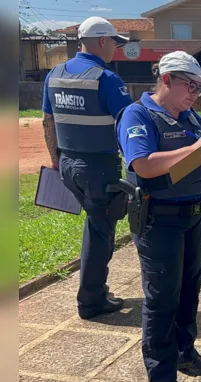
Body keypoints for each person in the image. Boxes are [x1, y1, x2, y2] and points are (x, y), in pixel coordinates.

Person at [115, 51, 201, 382]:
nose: (195, 93)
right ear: (165, 79)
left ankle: (184, 353)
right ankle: (160, 375)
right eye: (190, 85)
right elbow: (144, 164)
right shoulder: (138, 114)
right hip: (158, 221)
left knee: (189, 291)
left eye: (200, 88)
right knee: (162, 299)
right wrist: (196, 147)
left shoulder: (190, 116)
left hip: (193, 215)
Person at [42, 16, 133, 320]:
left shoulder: (54, 74)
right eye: (115, 44)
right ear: (104, 41)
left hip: (68, 164)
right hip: (99, 169)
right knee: (100, 230)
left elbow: (48, 120)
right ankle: (92, 299)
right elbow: (129, 124)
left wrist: (56, 161)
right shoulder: (106, 79)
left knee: (96, 225)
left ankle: (96, 289)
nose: (116, 51)